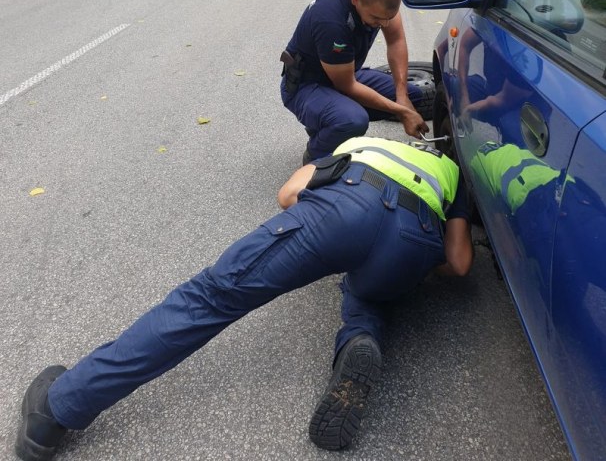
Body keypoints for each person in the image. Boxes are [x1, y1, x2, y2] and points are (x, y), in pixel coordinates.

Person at [15, 136, 473, 461]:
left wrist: (320, 242)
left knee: (212, 297)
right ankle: (360, 335)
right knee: (367, 288)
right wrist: (406, 255)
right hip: (415, 238)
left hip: (348, 202)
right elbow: (459, 264)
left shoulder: (360, 142)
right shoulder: (451, 174)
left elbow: (289, 194)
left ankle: (57, 409)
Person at [280, 0, 429, 163]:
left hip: (344, 72)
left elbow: (396, 41)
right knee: (353, 120)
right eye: (376, 18)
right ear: (355, 0)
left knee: (412, 95)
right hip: (307, 85)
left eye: (389, 18)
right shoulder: (331, 20)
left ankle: (327, 122)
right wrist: (402, 111)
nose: (383, 24)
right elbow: (347, 86)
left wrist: (402, 98)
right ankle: (315, 158)